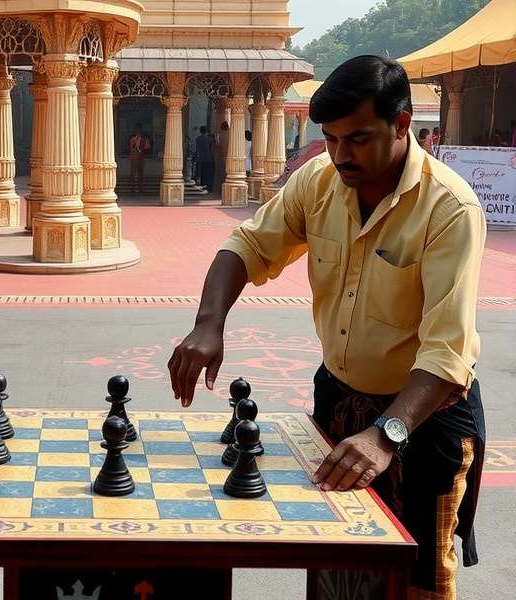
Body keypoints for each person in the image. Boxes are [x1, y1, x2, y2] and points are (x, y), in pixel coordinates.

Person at [168, 56, 485, 600]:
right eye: (331, 139)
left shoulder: (449, 208)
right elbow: (247, 245)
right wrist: (208, 323)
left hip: (423, 419)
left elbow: (446, 354)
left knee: (416, 581)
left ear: (402, 124)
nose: (341, 155)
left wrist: (387, 435)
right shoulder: (319, 180)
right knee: (337, 568)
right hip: (338, 401)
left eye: (357, 139)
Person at [128, 123, 150, 193]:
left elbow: (147, 147)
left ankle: (140, 187)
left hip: (141, 155)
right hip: (134, 155)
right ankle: (133, 187)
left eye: (139, 129)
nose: (137, 131)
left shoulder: (145, 139)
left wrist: (141, 150)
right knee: (133, 172)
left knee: (140, 172)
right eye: (136, 129)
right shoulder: (132, 138)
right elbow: (130, 148)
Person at [195, 126, 215, 192]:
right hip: (208, 158)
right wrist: (212, 156)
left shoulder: (198, 139)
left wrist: (197, 157)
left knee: (202, 172)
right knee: (208, 173)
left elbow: (197, 149)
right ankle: (207, 186)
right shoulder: (209, 139)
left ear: (200, 131)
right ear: (206, 131)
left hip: (201, 158)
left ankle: (202, 184)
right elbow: (212, 149)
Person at [213, 121, 229, 195]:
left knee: (219, 173)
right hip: (230, 158)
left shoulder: (219, 136)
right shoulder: (230, 135)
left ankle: (218, 190)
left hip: (221, 157)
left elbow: (217, 145)